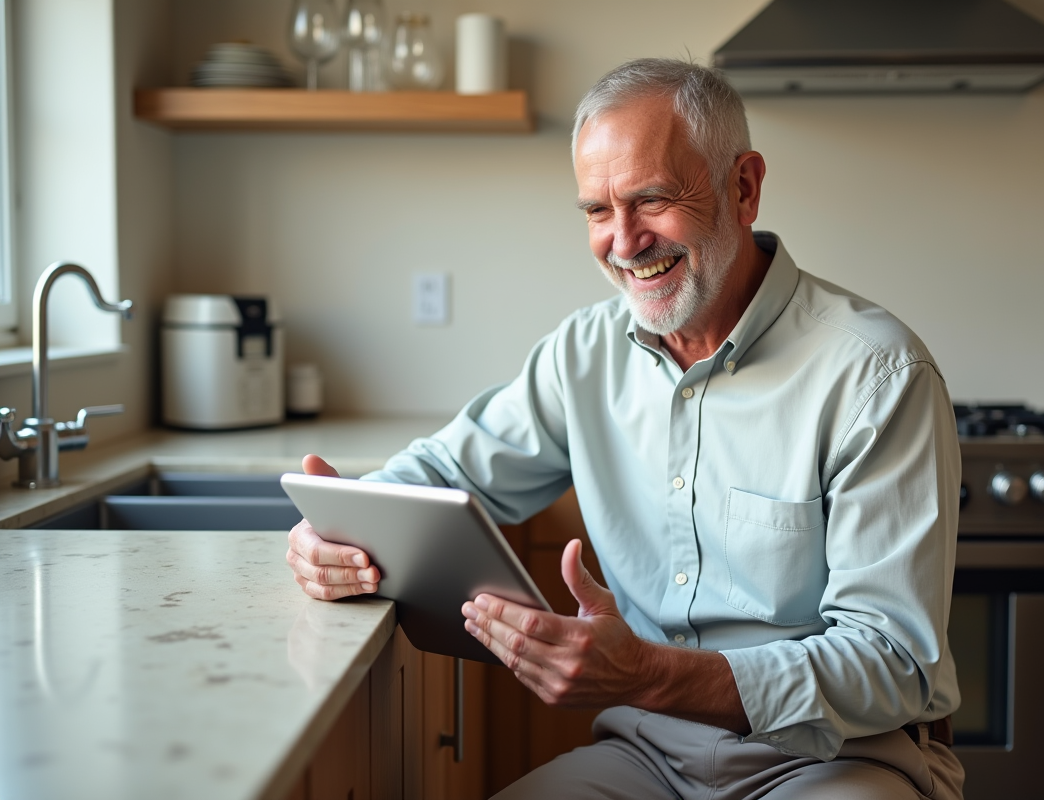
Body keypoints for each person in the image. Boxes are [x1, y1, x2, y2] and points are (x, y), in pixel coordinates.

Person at [286, 58, 965, 799]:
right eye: (597, 212)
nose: (625, 241)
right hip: (647, 755)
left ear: (743, 188)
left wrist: (650, 672)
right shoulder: (582, 356)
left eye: (651, 200)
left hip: (837, 760)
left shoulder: (878, 375)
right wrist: (337, 529)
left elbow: (893, 661)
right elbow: (443, 475)